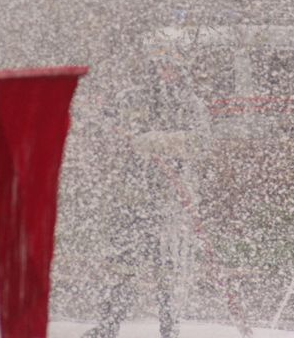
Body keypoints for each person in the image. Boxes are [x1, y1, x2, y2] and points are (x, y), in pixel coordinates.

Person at [83, 53, 207, 338]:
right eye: (160, 67)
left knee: (166, 269)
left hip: (167, 202)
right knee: (122, 263)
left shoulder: (189, 105)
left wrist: (158, 141)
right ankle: (109, 325)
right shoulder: (130, 99)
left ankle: (168, 328)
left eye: (172, 68)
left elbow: (201, 142)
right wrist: (109, 132)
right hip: (130, 198)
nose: (166, 74)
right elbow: (103, 126)